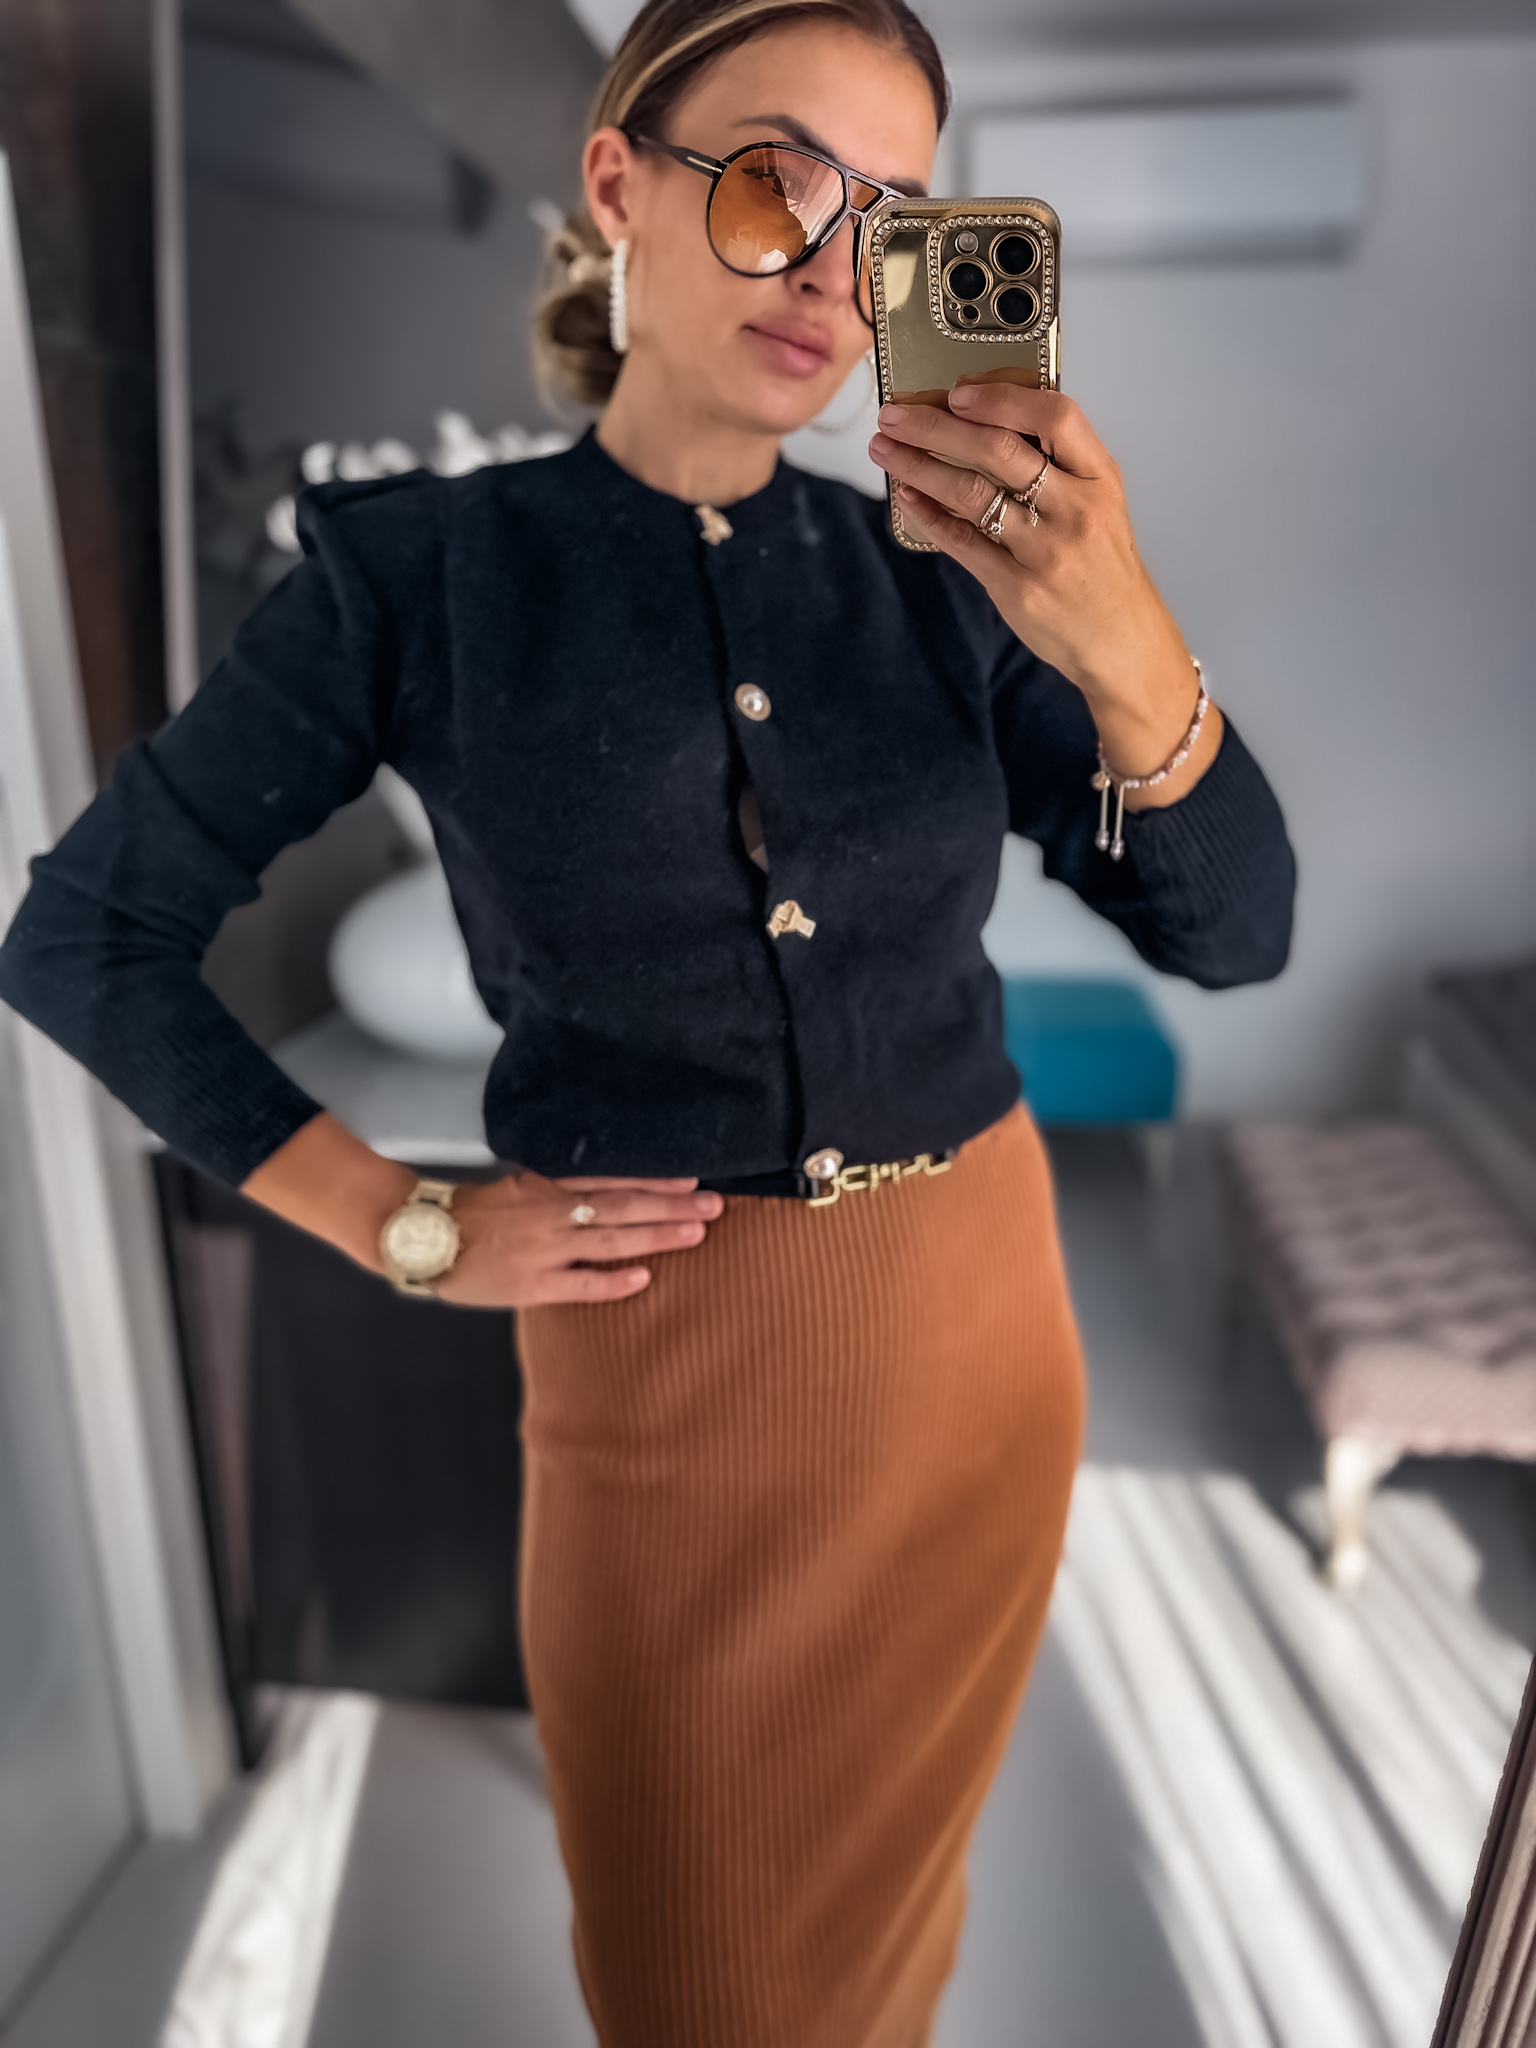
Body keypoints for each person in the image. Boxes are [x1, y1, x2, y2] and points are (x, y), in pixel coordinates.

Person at [0, 0, 1295, 2040]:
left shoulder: (946, 587)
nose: (831, 272)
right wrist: (402, 1222)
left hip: (979, 1339)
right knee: (697, 1980)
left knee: (891, 1948)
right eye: (779, 184)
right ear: (620, 181)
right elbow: (86, 937)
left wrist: (1127, 646)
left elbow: (1235, 936)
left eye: (889, 224)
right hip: (661, 1394)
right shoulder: (427, 578)